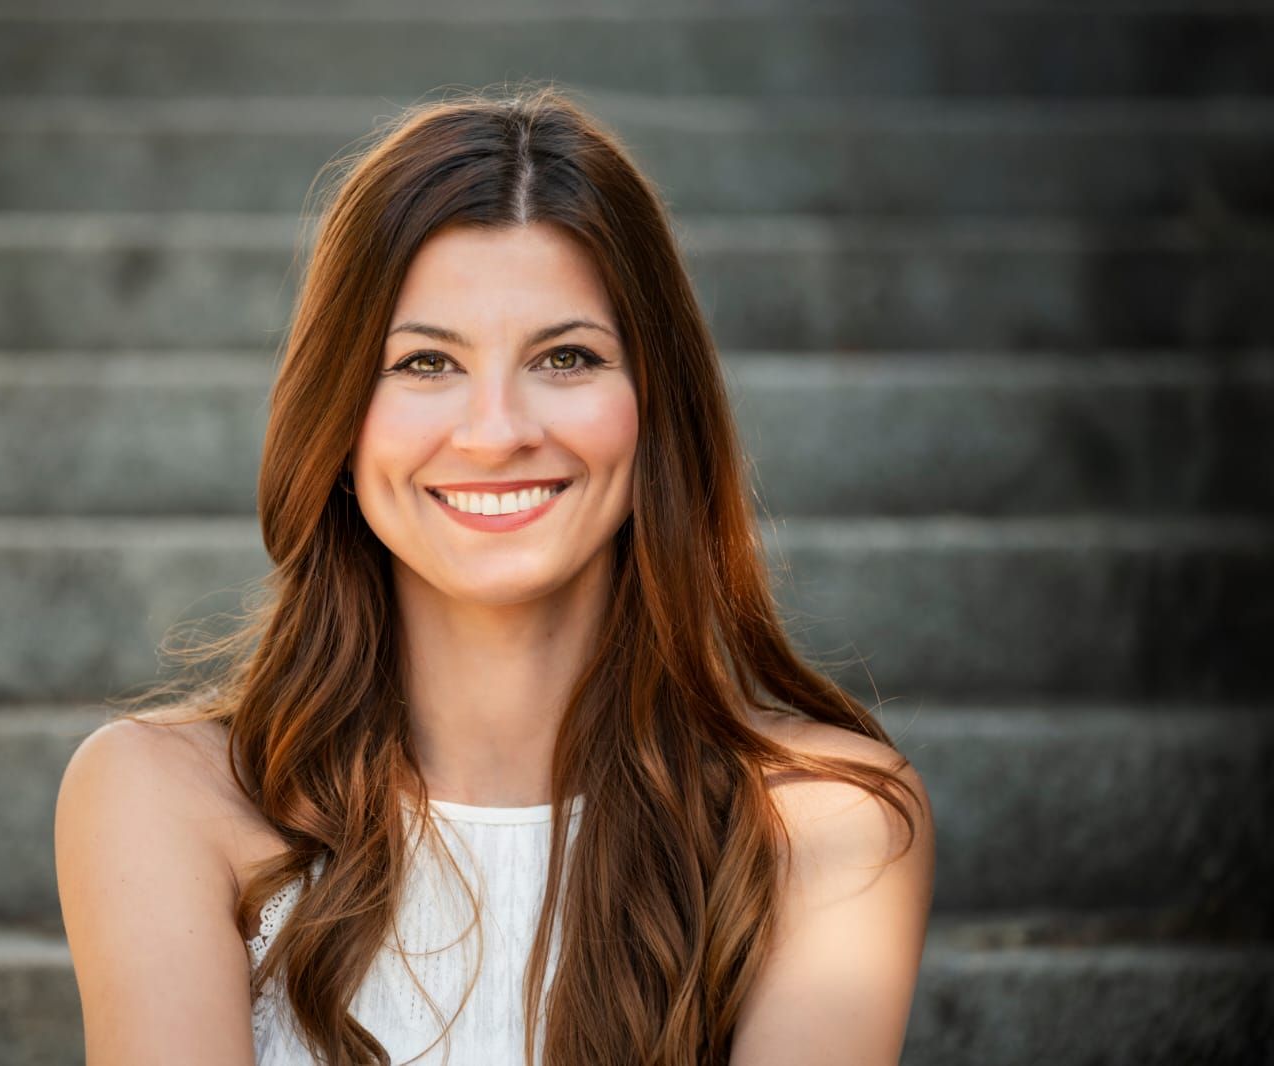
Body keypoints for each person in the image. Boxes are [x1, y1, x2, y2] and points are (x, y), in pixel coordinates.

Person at [54, 84, 935, 1066]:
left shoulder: (824, 821)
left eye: (565, 357)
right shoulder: (160, 798)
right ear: (339, 424)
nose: (498, 432)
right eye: (426, 365)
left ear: (657, 413)